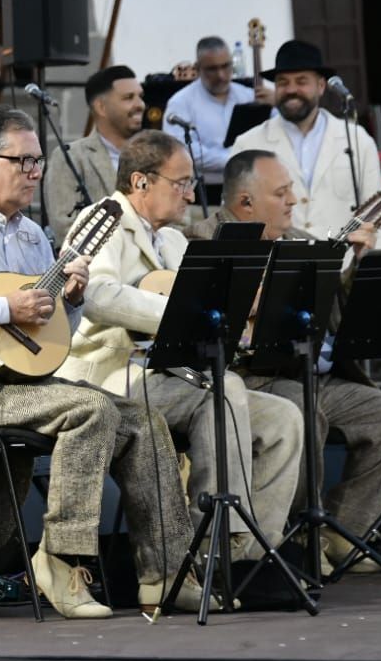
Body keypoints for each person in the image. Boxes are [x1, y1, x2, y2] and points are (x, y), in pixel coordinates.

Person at [0, 106, 190, 618]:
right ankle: (61, 559)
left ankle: (164, 571)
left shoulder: (33, 236)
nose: (35, 172)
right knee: (89, 411)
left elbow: (48, 337)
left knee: (144, 422)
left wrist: (71, 301)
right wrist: (1, 307)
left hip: (22, 379)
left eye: (38, 162)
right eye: (23, 161)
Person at [60, 131, 302, 598]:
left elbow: (202, 306)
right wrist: (181, 312)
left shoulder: (170, 241)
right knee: (227, 389)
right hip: (108, 374)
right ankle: (202, 550)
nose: (191, 194)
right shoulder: (100, 220)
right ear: (140, 181)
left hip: (170, 374)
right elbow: (96, 295)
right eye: (182, 182)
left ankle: (247, 558)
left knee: (283, 419)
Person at [188, 150, 381, 571]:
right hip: (250, 377)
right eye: (282, 192)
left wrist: (357, 265)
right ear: (246, 202)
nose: (293, 201)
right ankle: (294, 533)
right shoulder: (203, 238)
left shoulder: (299, 240)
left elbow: (340, 316)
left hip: (313, 372)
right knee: (304, 411)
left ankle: (338, 531)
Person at [229, 40, 381, 248]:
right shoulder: (248, 144)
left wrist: (378, 271)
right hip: (276, 268)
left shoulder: (357, 139)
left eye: (301, 81)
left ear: (321, 86)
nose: (291, 90)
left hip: (344, 264)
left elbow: (378, 215)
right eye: (283, 82)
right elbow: (236, 219)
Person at [163, 36, 272, 205]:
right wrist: (235, 158)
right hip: (205, 192)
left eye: (225, 66)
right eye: (212, 69)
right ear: (198, 68)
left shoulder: (248, 95)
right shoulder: (180, 103)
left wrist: (276, 102)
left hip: (250, 186)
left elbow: (276, 133)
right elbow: (185, 152)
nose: (221, 75)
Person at [42, 65, 144, 238]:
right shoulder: (71, 157)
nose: (140, 104)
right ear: (101, 107)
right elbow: (65, 227)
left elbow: (175, 220)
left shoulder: (152, 156)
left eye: (140, 97)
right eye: (128, 98)